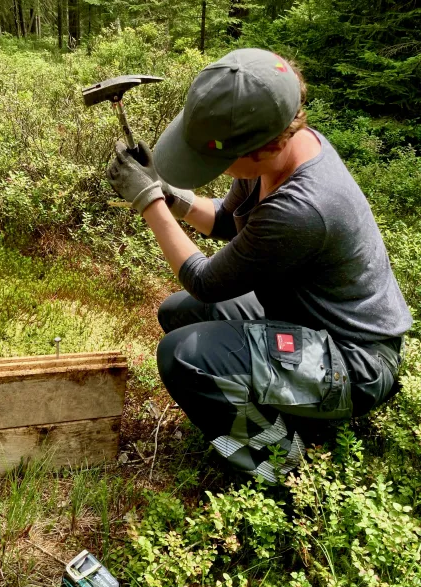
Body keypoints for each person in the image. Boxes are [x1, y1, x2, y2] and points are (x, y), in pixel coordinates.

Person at [106, 48, 411, 482]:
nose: (210, 168)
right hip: (305, 321)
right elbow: (228, 220)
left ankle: (282, 468)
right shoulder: (276, 148)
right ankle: (280, 406)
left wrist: (148, 199)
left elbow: (205, 281)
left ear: (258, 149)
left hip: (355, 362)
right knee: (178, 314)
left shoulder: (304, 206)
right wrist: (167, 192)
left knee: (184, 358)